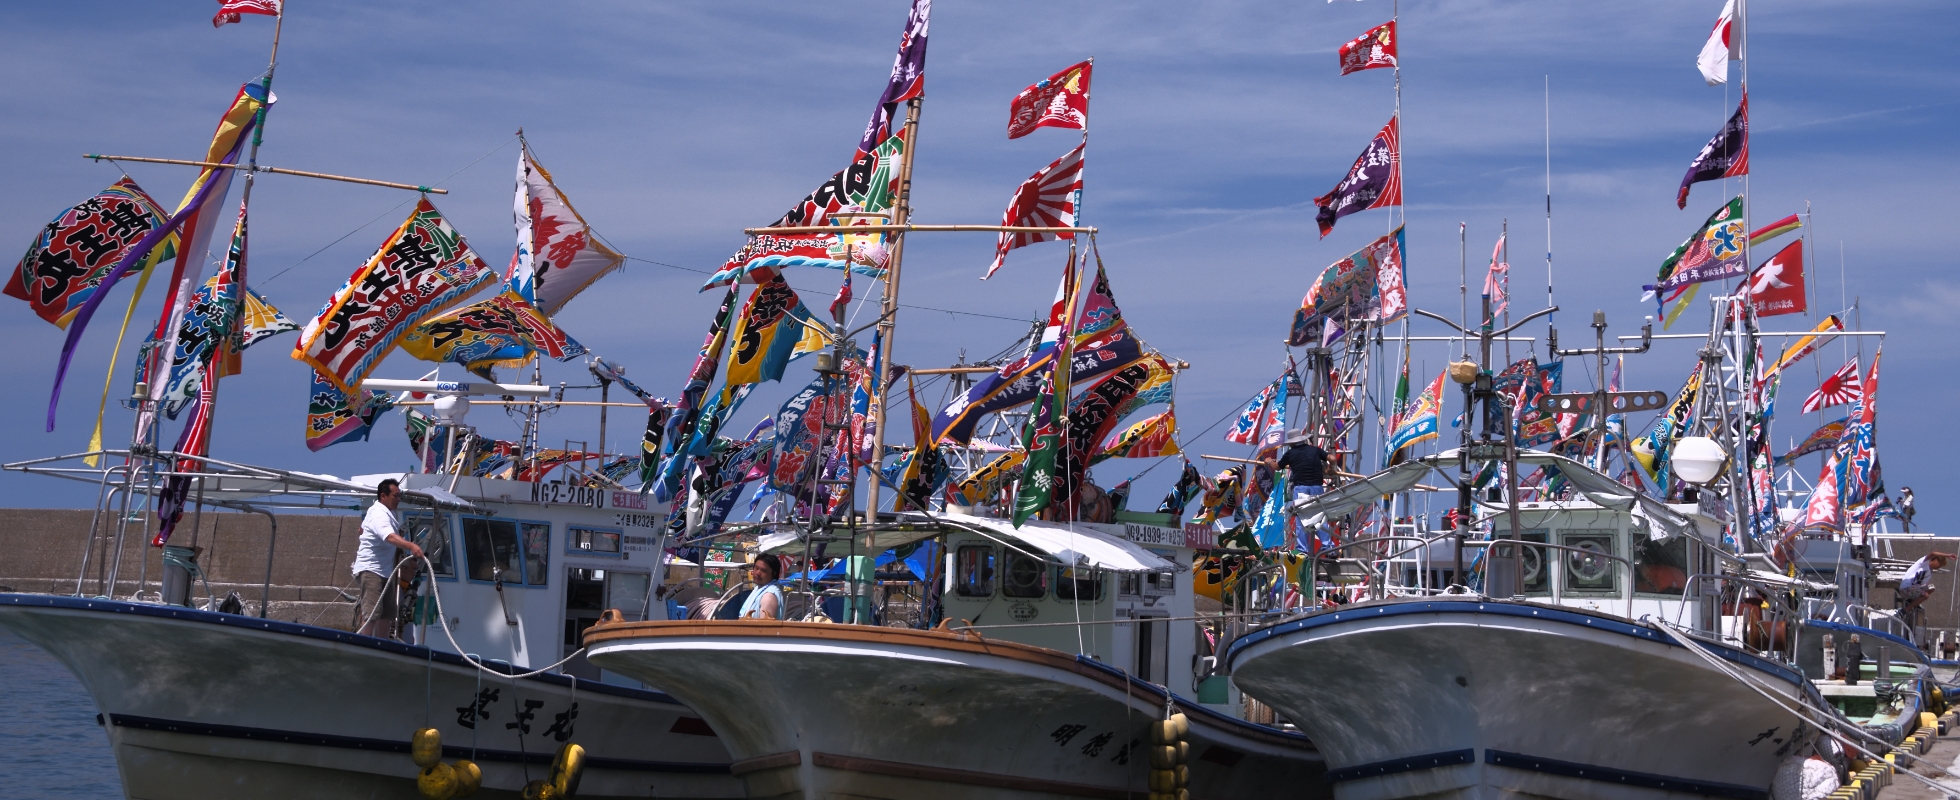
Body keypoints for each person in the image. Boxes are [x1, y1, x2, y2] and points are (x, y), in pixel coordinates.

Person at [353, 479, 424, 638]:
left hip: (385, 571)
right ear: (383, 496)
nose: (398, 499)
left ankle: (382, 646)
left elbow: (362, 530)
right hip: (372, 570)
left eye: (399, 496)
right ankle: (364, 646)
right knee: (372, 612)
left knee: (387, 613)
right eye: (395, 496)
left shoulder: (385, 512)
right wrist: (411, 546)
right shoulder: (379, 513)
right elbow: (389, 537)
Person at [1895, 551, 1954, 630]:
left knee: (1931, 587)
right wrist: (1948, 555)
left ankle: (1911, 601)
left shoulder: (1929, 574)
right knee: (1925, 595)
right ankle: (1905, 610)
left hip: (1913, 590)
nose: (1938, 567)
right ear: (1935, 560)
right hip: (1906, 588)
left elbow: (1922, 586)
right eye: (1939, 565)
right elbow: (1933, 553)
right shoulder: (1923, 562)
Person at [737, 554, 785, 620]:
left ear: (774, 573)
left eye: (763, 571)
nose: (758, 573)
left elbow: (764, 629)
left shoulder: (769, 596)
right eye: (756, 568)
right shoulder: (759, 588)